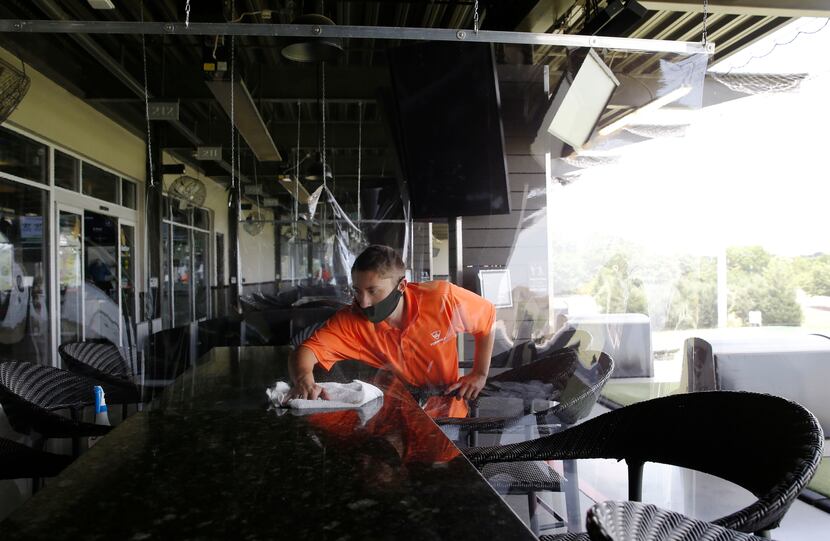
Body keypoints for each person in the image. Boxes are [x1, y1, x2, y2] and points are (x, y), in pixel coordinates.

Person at [288, 244, 495, 416]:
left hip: (448, 415)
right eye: (358, 291)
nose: (364, 302)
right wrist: (304, 379)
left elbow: (488, 317)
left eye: (373, 291)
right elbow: (306, 351)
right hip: (396, 419)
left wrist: (479, 373)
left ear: (401, 286)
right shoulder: (352, 320)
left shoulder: (442, 299)